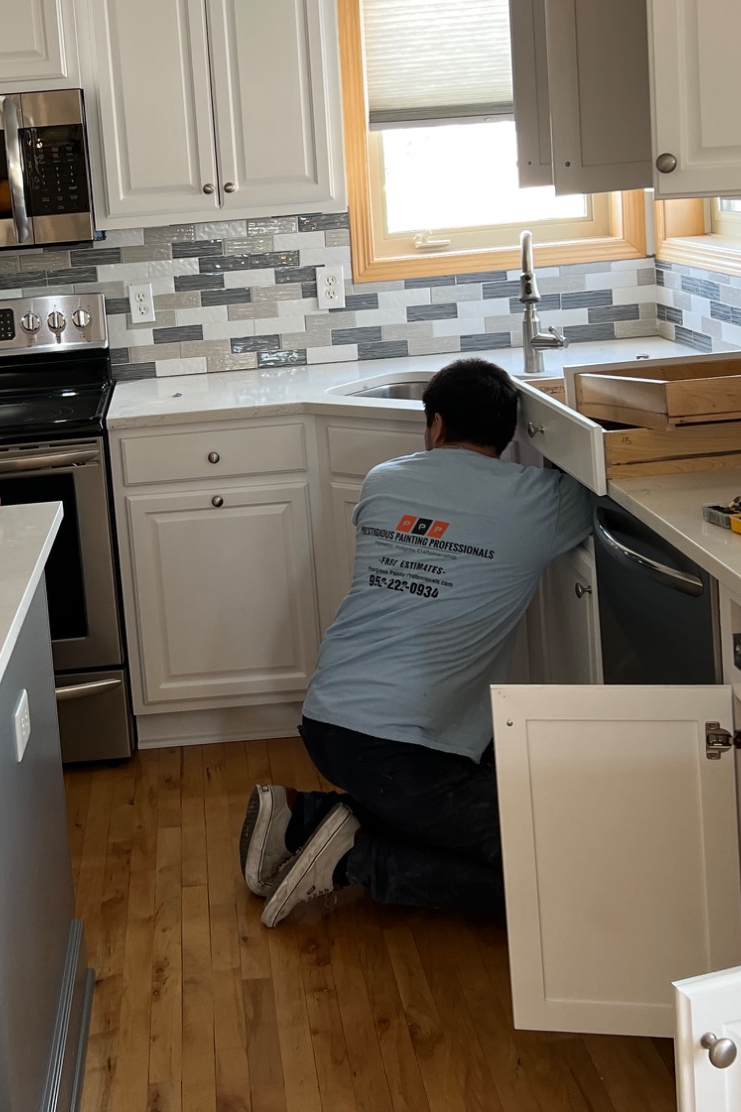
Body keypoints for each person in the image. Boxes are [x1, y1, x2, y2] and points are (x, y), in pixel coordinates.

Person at [240, 355, 593, 926]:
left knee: (469, 818)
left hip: (326, 723)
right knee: (551, 863)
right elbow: (603, 483)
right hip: (404, 754)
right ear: (506, 434)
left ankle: (307, 817)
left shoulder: (384, 481)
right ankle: (354, 859)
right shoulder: (539, 503)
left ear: (434, 424)